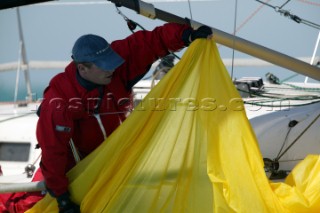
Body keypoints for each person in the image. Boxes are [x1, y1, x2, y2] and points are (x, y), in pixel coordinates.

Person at [36, 23, 212, 212]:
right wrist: (62, 198)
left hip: (118, 161)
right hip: (80, 174)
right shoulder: (58, 101)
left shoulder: (114, 66)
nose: (111, 69)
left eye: (111, 62)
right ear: (82, 69)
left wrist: (185, 36)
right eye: (104, 67)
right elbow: (53, 152)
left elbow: (149, 42)